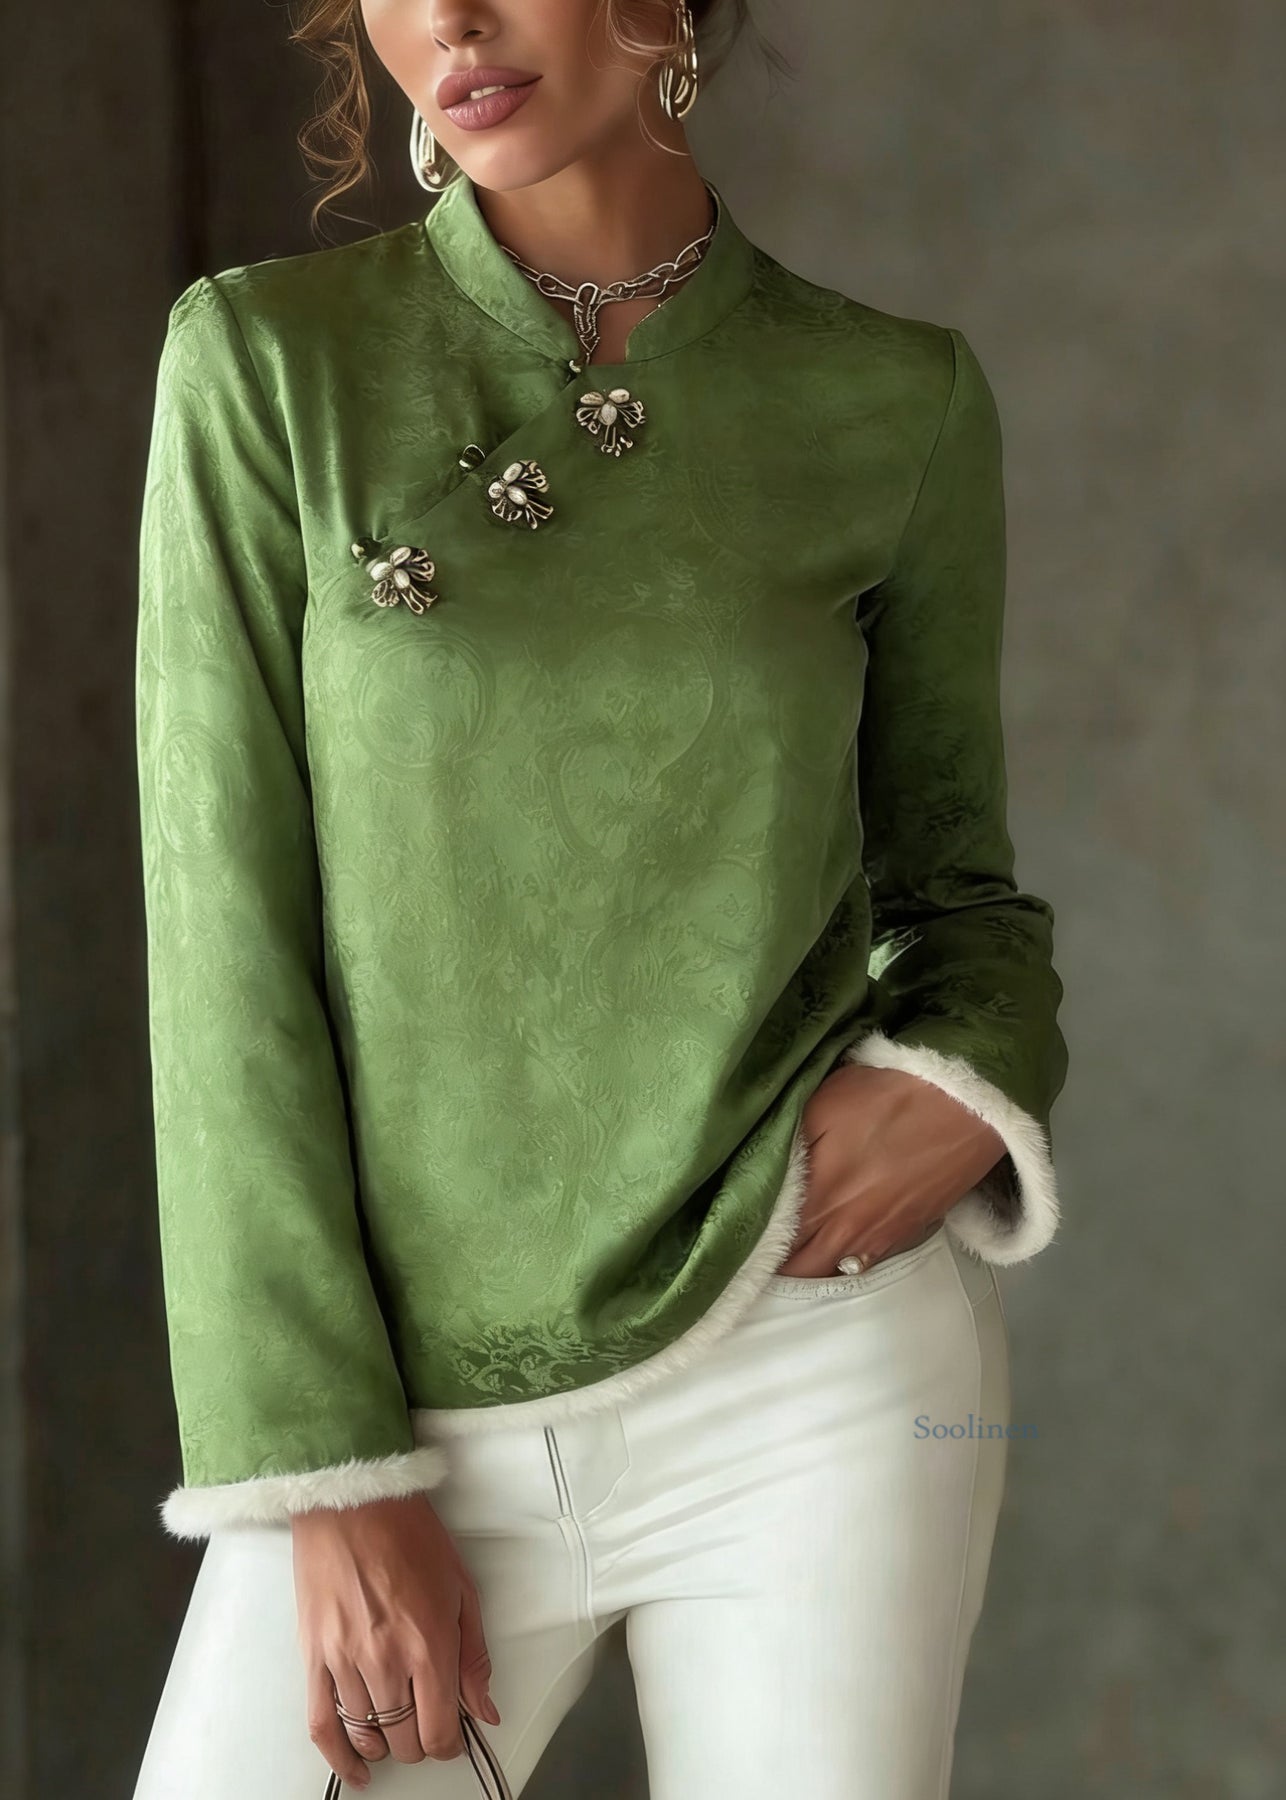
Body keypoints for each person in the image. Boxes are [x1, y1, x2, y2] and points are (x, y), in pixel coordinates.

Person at [131, 2, 1069, 1795]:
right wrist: (326, 1474)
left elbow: (956, 892)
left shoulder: (891, 399)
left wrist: (959, 1082)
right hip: (402, 1406)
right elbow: (220, 951)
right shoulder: (269, 362)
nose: (449, 22)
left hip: (811, 1364)